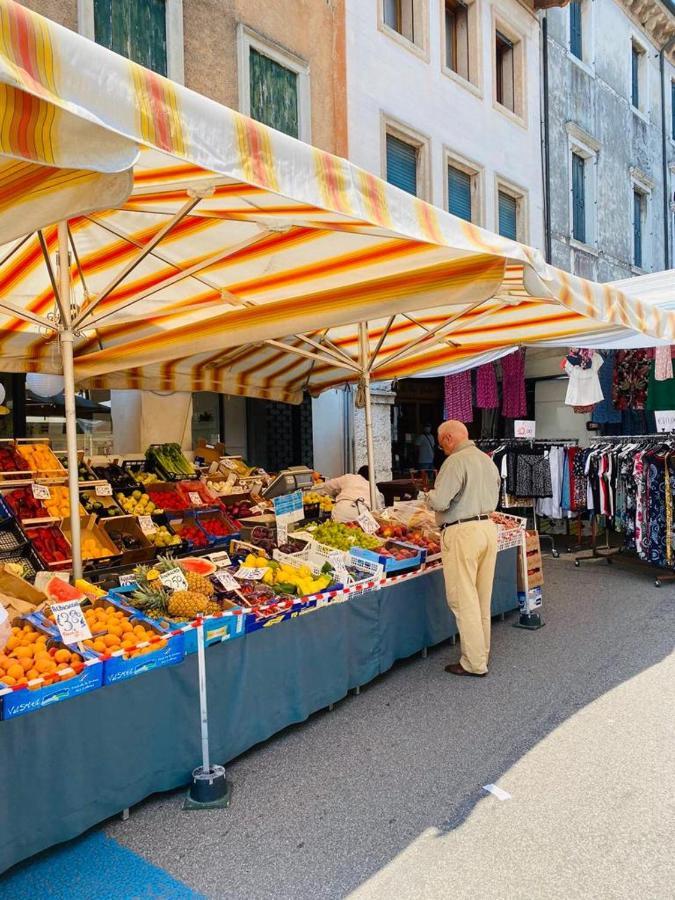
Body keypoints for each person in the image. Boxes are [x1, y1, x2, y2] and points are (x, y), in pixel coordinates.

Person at [425, 420, 501, 677]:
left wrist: (427, 496)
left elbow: (441, 500)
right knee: (481, 598)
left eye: (440, 443)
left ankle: (474, 663)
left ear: (448, 438)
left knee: (463, 600)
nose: (441, 448)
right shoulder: (485, 459)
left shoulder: (455, 462)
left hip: (462, 533)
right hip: (487, 528)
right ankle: (481, 653)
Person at [317, 467, 382, 523]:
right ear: (372, 477)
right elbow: (379, 509)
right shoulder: (373, 487)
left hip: (341, 510)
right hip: (362, 514)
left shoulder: (349, 477)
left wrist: (333, 496)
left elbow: (328, 485)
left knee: (338, 532)